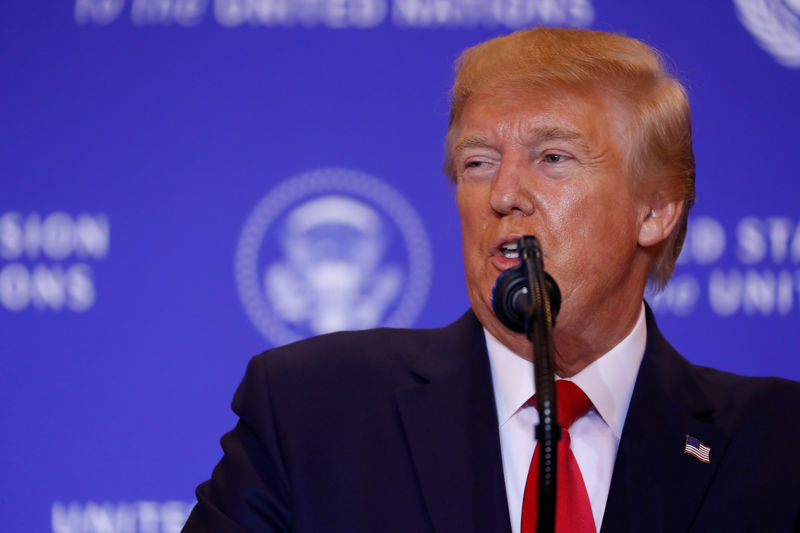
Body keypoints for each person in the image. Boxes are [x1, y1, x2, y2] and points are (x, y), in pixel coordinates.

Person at [182, 28, 800, 533]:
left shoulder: (777, 446)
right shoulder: (312, 409)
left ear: (656, 210)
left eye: (552, 158)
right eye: (477, 163)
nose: (503, 194)